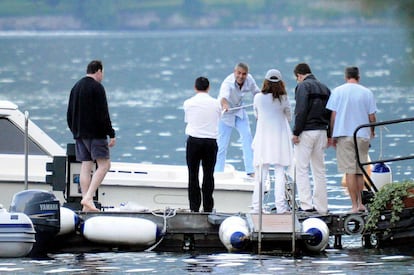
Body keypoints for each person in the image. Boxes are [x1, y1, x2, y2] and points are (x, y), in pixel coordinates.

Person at [67, 60, 116, 212]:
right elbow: (103, 113)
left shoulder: (76, 87)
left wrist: (75, 130)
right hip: (96, 134)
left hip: (79, 134)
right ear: (99, 71)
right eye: (103, 73)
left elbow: (69, 114)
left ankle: (86, 205)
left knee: (86, 166)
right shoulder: (97, 87)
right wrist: (111, 133)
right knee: (104, 165)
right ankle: (88, 197)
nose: (102, 76)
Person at [327, 66, 377, 213]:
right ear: (358, 77)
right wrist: (372, 131)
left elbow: (333, 116)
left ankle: (354, 206)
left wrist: (332, 135)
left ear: (345, 77)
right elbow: (372, 117)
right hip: (362, 134)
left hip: (344, 135)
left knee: (349, 170)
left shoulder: (337, 91)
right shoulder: (367, 92)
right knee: (360, 170)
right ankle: (361, 203)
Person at [251, 69, 293, 214]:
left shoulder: (258, 98)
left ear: (266, 82)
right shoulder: (284, 98)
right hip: (280, 141)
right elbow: (289, 117)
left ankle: (256, 207)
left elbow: (256, 115)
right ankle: (281, 208)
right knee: (280, 173)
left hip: (263, 140)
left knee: (261, 174)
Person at [292, 63, 331, 214]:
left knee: (301, 169)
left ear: (299, 76)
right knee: (319, 170)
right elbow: (331, 113)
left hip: (306, 132)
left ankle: (306, 205)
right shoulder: (325, 88)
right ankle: (322, 207)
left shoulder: (303, 87)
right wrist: (329, 134)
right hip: (322, 131)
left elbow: (300, 110)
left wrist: (296, 131)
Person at [183, 76, 221, 212]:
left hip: (194, 141)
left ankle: (194, 207)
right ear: (208, 88)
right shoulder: (216, 103)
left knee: (193, 175)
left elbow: (188, 119)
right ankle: (208, 207)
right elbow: (218, 118)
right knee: (208, 175)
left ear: (195, 87)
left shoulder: (188, 103)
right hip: (210, 142)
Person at [215, 62, 260, 176]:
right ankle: (218, 172)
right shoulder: (227, 82)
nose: (241, 76)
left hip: (239, 111)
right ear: (234, 72)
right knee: (221, 145)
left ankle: (251, 171)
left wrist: (263, 103)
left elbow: (257, 93)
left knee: (247, 138)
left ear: (247, 74)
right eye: (239, 73)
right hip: (226, 114)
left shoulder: (250, 79)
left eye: (243, 74)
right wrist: (225, 105)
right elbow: (223, 98)